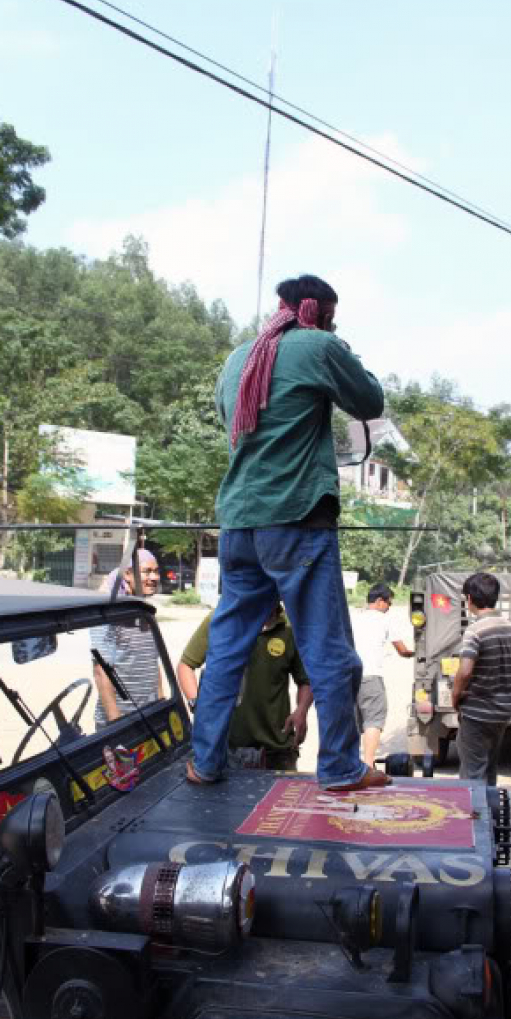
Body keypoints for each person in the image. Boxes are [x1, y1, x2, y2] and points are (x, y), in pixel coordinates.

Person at [189, 274, 390, 792]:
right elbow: (369, 401)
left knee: (227, 648)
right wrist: (339, 346)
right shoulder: (320, 345)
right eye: (333, 316)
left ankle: (205, 762)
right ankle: (341, 767)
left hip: (238, 524)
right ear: (319, 312)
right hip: (297, 521)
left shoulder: (237, 360)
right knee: (329, 650)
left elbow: (227, 420)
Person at [178, 603, 313, 770]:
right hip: (227, 748)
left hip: (277, 750)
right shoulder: (220, 619)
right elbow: (186, 665)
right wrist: (198, 705)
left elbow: (306, 679)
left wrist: (302, 710)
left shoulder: (290, 627)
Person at [451, 572, 511, 786]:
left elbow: (465, 671)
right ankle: (490, 817)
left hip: (477, 712)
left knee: (472, 773)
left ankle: (475, 817)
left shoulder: (475, 631)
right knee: (490, 769)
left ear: (469, 599)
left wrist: (455, 696)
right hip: (502, 711)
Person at [90, 550, 164, 728]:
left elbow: (153, 663)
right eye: (147, 571)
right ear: (128, 574)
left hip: (149, 714)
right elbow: (102, 671)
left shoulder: (143, 611)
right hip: (122, 720)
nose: (154, 577)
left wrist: (162, 703)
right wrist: (116, 723)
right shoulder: (108, 614)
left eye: (156, 571)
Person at [351, 583, 414, 766]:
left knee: (353, 721)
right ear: (380, 601)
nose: (389, 608)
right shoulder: (384, 620)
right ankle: (369, 764)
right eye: (389, 603)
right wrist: (413, 653)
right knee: (373, 720)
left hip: (349, 677)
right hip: (371, 676)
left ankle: (352, 763)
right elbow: (401, 649)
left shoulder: (353, 618)